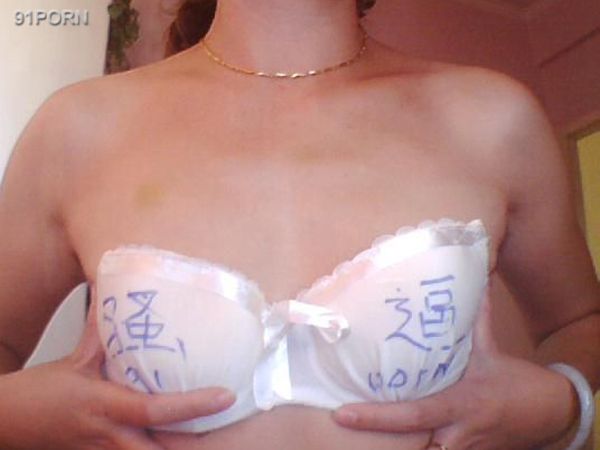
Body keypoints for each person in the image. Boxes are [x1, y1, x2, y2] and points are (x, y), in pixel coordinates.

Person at [0, 0, 598, 449]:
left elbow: (581, 323)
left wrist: (563, 403)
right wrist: (16, 415)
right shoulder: (79, 129)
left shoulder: (492, 120)